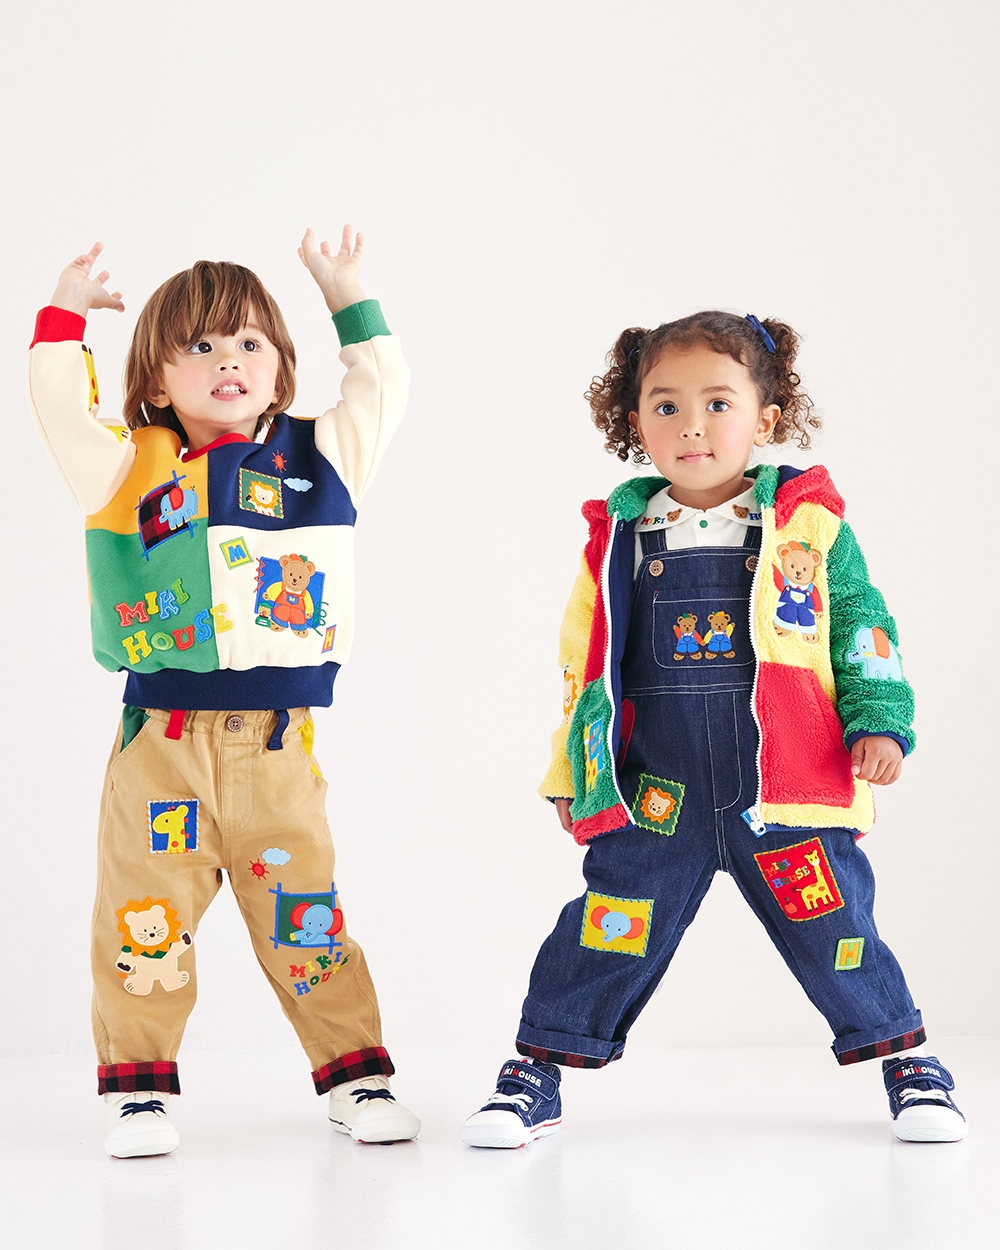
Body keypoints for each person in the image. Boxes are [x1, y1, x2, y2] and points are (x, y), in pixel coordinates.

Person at [461, 311, 966, 1147]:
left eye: (718, 404)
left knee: (838, 927)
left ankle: (908, 1063)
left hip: (786, 788)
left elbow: (862, 625)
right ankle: (537, 1072)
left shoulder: (808, 527)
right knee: (607, 926)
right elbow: (585, 669)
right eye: (666, 406)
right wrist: (573, 771)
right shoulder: (620, 539)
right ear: (635, 423)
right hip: (658, 792)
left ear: (765, 420)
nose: (691, 425)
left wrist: (880, 720)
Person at [28, 230, 420, 1157]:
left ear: (281, 369)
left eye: (248, 342)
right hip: (160, 746)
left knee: (305, 917)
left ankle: (355, 1077)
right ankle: (138, 1091)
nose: (228, 360)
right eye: (199, 346)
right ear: (158, 383)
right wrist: (65, 311)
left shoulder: (322, 456)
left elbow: (383, 384)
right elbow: (56, 405)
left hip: (276, 749)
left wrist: (345, 294)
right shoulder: (126, 467)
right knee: (143, 918)